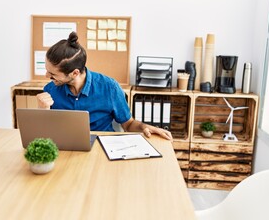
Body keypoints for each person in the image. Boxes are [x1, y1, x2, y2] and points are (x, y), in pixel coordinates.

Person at [37, 32, 172, 140]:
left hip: (102, 149)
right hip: (66, 150)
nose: (47, 76)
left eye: (52, 73)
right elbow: (45, 135)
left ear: (74, 73)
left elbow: (128, 124)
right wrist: (42, 111)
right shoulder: (50, 90)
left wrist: (144, 127)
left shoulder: (110, 88)